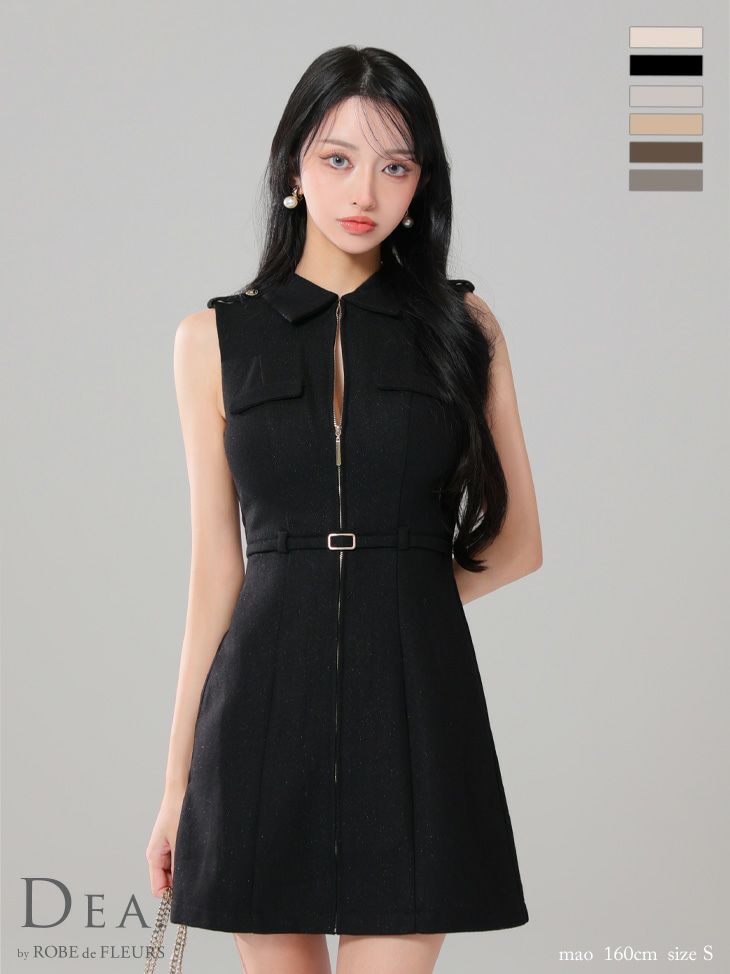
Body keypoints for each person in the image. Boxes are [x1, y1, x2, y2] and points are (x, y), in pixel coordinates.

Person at [146, 44, 542, 974]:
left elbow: (519, 541)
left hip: (415, 707)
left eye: (395, 166)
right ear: (294, 168)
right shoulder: (212, 340)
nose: (364, 191)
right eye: (338, 158)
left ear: (421, 185)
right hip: (257, 714)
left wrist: (389, 599)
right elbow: (215, 574)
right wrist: (175, 789)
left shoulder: (465, 327)